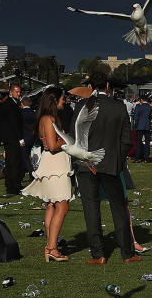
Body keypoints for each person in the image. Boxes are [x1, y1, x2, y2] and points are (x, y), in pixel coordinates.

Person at [73, 72, 139, 264]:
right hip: (110, 163)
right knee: (119, 208)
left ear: (90, 86)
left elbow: (74, 138)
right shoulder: (118, 107)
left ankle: (98, 254)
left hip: (87, 164)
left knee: (91, 209)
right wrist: (117, 160)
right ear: (108, 85)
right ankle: (127, 253)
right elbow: (126, 140)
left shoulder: (81, 106)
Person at [22, 87, 73, 261]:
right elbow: (52, 145)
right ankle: (52, 247)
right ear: (54, 100)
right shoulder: (49, 119)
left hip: (52, 163)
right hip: (55, 165)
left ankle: (50, 246)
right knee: (62, 206)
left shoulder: (46, 118)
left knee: (52, 204)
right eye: (62, 98)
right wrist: (67, 140)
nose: (64, 101)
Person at [130, 95, 152, 163]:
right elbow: (150, 116)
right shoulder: (149, 107)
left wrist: (136, 124)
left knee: (138, 142)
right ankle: (146, 158)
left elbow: (135, 117)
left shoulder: (138, 106)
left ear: (141, 100)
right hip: (147, 126)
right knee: (147, 142)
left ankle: (138, 157)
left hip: (139, 126)